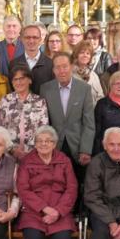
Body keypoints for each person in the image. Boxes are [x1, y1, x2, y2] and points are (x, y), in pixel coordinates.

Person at [16, 126, 78, 239]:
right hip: (34, 211)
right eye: (39, 141)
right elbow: (23, 188)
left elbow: (72, 188)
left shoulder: (64, 160)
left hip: (60, 210)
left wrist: (57, 211)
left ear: (54, 143)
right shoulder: (27, 161)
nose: (44, 144)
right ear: (34, 144)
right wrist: (44, 208)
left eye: (48, 141)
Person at [40, 52, 96, 182]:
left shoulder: (84, 89)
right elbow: (44, 121)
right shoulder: (45, 89)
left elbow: (89, 123)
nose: (61, 71)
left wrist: (85, 150)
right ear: (53, 70)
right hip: (54, 146)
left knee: (77, 185)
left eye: (65, 66)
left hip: (77, 147)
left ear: (71, 67)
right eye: (57, 67)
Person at [0, 63, 49, 162]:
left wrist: (31, 151)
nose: (19, 82)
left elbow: (43, 129)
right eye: (15, 79)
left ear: (30, 80)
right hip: (8, 155)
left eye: (22, 78)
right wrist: (12, 149)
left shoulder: (40, 101)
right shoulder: (5, 100)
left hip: (34, 155)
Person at [11, 24, 54, 94]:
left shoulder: (51, 64)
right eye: (28, 37)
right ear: (22, 39)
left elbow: (52, 90)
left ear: (40, 39)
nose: (31, 41)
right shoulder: (14, 64)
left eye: (35, 37)